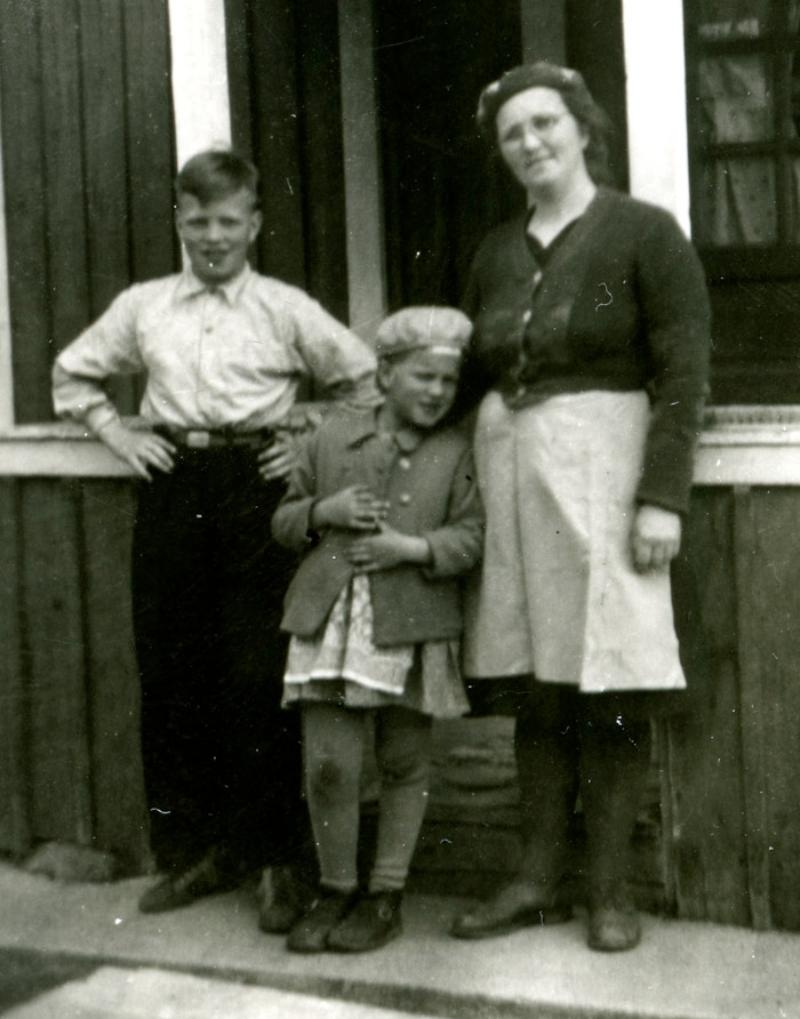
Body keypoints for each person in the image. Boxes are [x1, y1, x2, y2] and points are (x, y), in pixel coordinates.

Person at [51, 149, 378, 923]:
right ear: (179, 221)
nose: (213, 236)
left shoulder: (283, 308)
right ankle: (196, 852)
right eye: (197, 220)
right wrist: (120, 436)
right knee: (173, 668)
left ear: (254, 224)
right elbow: (72, 374)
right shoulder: (145, 306)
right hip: (173, 484)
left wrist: (309, 439)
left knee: (257, 672)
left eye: (228, 221)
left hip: (256, 487)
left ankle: (275, 860)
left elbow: (366, 382)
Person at [450, 63, 711, 951]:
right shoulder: (495, 252)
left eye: (545, 123)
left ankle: (608, 889)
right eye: (512, 133)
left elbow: (683, 371)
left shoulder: (640, 233)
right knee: (536, 685)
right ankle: (534, 878)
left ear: (585, 129)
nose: (530, 142)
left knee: (611, 680)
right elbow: (464, 369)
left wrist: (662, 498)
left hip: (607, 473)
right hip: (515, 477)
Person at [271, 306, 482, 953]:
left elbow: (474, 537)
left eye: (448, 381)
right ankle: (336, 887)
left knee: (403, 758)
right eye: (423, 377)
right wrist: (322, 510)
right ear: (385, 375)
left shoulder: (456, 451)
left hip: (411, 622)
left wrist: (411, 549)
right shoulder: (331, 437)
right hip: (328, 624)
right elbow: (283, 522)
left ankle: (385, 894)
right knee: (330, 766)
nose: (437, 392)